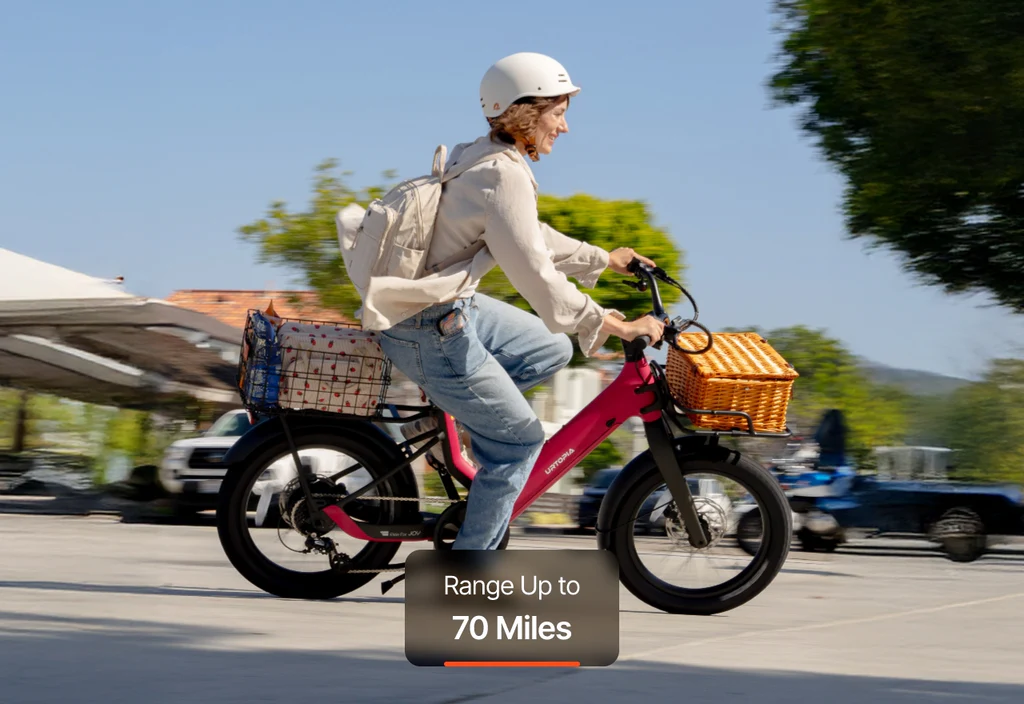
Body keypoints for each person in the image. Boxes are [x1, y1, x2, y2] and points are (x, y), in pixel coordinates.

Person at [372, 52, 665, 550]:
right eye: (559, 112)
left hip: (440, 309)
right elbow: (536, 275)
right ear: (526, 112)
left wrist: (602, 259)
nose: (566, 127)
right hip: (430, 325)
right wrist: (616, 325)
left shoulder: (483, 154)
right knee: (520, 443)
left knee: (550, 348)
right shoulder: (501, 175)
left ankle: (457, 418)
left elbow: (527, 235)